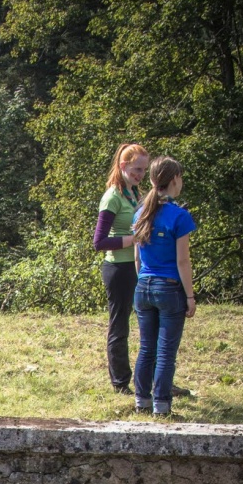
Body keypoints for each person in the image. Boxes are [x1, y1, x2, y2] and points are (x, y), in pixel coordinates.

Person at [132, 156, 197, 418]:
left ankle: (141, 400)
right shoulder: (179, 216)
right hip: (169, 288)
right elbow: (183, 261)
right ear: (174, 180)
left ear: (151, 181)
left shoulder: (141, 213)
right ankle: (162, 404)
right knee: (166, 350)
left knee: (146, 347)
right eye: (180, 178)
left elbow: (137, 258)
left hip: (143, 286)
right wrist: (190, 296)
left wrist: (143, 281)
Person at [93, 143, 149, 394]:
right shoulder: (112, 197)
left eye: (144, 170)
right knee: (120, 327)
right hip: (118, 270)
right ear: (124, 166)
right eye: (137, 169)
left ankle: (152, 379)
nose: (141, 175)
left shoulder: (136, 193)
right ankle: (120, 383)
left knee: (150, 324)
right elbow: (99, 242)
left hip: (139, 266)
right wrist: (134, 238)